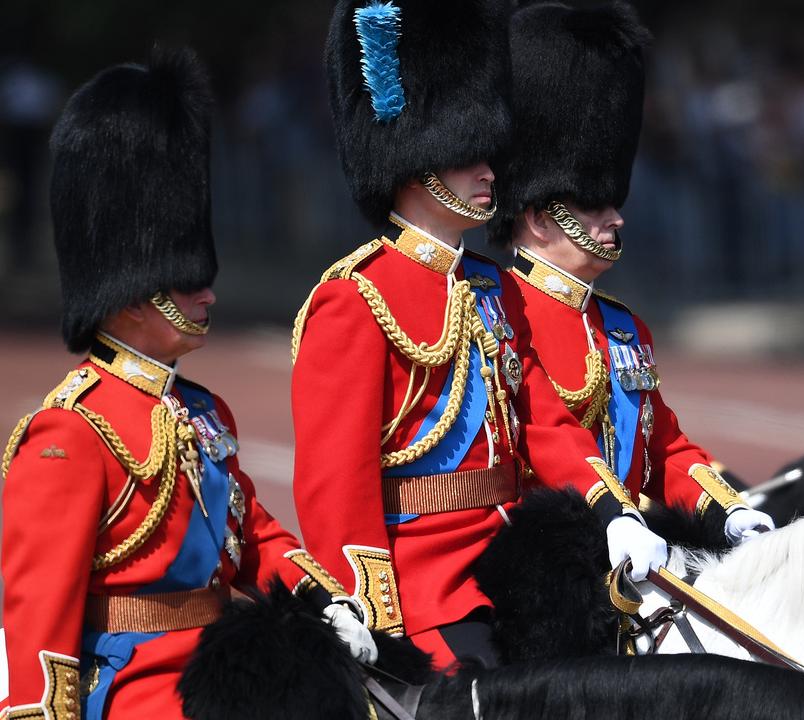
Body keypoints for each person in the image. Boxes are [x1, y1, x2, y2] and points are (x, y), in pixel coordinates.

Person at [294, 0, 668, 670]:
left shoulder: (492, 289)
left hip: (515, 569)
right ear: (417, 160)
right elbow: (335, 483)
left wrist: (612, 510)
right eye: (470, 154)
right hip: (426, 591)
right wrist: (369, 618)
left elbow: (545, 421)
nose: (491, 171)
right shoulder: (356, 296)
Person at [0, 49, 373, 720]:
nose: (206, 291)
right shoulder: (71, 430)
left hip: (222, 681)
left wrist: (325, 600)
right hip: (133, 697)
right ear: (131, 292)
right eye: (184, 277)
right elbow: (39, 623)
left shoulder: (202, 411)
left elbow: (252, 536)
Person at [488, 1, 774, 543]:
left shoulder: (622, 327)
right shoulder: (496, 312)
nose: (615, 216)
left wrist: (728, 509)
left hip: (628, 553)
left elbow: (663, 448)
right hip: (539, 563)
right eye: (594, 204)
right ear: (540, 218)